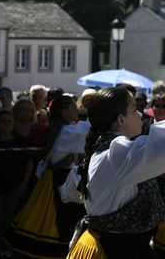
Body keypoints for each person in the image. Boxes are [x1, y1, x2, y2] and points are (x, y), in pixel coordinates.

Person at [63, 87, 165, 258]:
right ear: (120, 119)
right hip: (112, 250)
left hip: (100, 244)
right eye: (134, 109)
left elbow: (68, 193)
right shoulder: (118, 154)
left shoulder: (100, 152)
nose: (140, 114)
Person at [5, 95, 90, 258]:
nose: (76, 110)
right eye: (72, 107)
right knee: (58, 218)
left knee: (64, 216)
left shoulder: (61, 127)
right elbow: (86, 131)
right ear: (63, 111)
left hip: (62, 177)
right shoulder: (66, 130)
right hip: (58, 179)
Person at [0, 110, 33, 258]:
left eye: (9, 122)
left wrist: (24, 183)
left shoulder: (21, 141)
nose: (6, 124)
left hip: (15, 186)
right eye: (3, 121)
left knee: (10, 218)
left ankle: (7, 247)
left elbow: (28, 163)